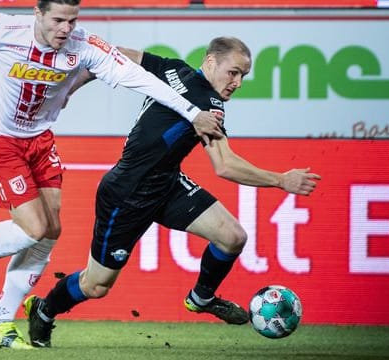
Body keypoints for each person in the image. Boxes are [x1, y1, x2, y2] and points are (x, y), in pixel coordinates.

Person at [0, 1, 224, 350]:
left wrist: (192, 111)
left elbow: (138, 78)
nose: (66, 28)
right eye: (58, 20)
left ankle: (0, 324)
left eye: (72, 20)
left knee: (50, 232)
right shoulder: (5, 29)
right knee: (34, 228)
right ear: (38, 14)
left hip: (39, 138)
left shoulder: (84, 46)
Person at [23, 36, 322, 348]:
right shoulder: (207, 102)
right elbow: (225, 165)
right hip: (127, 195)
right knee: (96, 285)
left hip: (167, 184)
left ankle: (201, 298)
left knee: (233, 237)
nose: (238, 82)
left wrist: (71, 87)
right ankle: (45, 309)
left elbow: (112, 56)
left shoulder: (173, 69)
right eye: (233, 72)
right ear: (210, 62)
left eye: (243, 76)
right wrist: (280, 180)